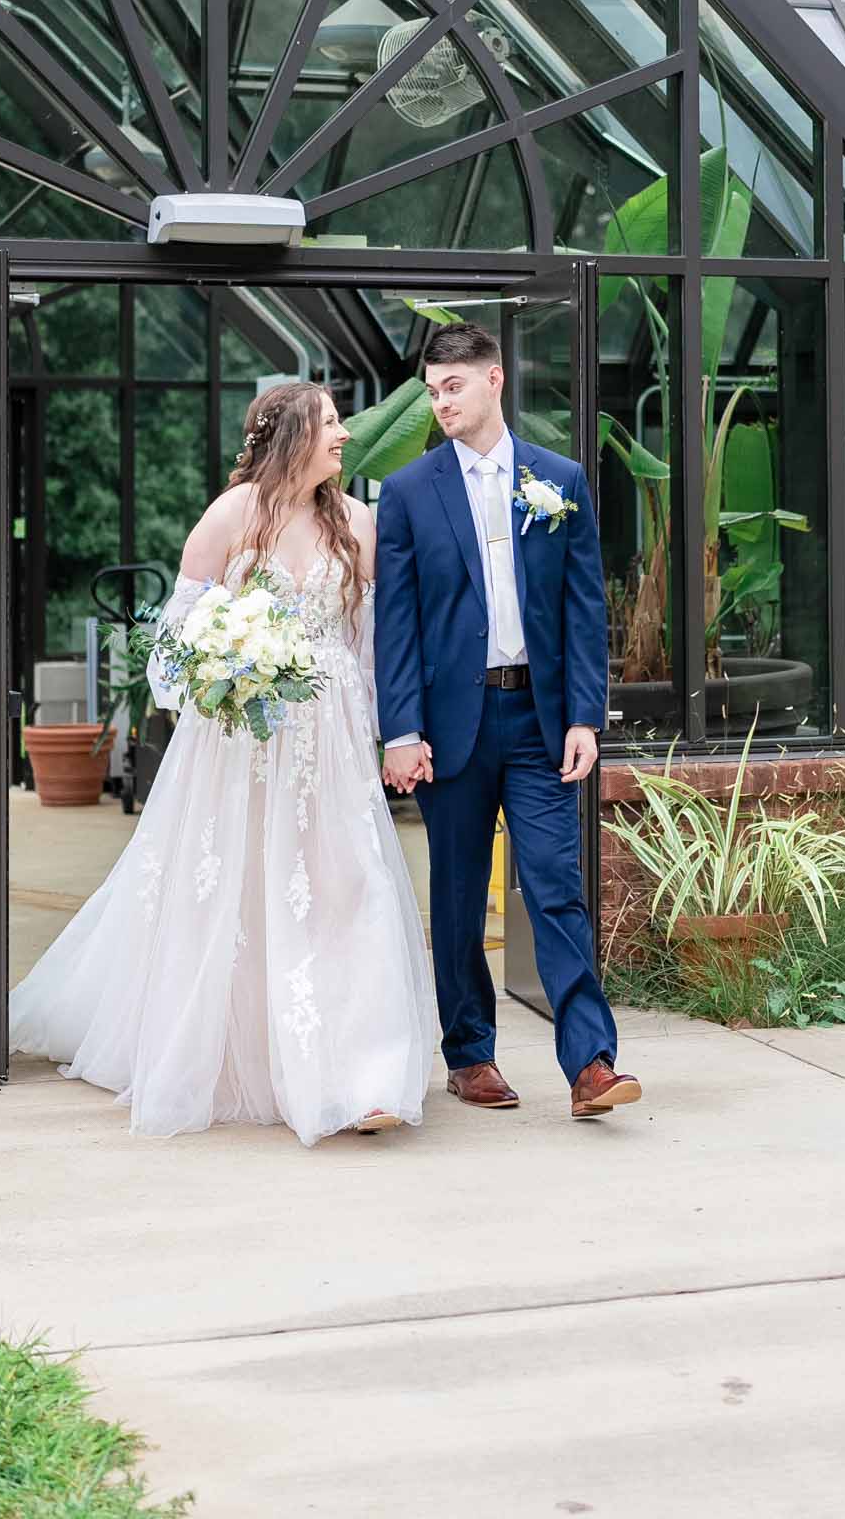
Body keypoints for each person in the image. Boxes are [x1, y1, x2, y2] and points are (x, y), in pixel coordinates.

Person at [13, 380, 434, 1145]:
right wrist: (227, 671)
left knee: (345, 884)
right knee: (242, 888)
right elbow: (178, 632)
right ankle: (244, 1055)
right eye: (332, 422)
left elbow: (377, 642)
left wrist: (387, 727)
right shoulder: (232, 514)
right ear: (294, 435)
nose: (344, 435)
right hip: (244, 738)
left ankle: (361, 1071)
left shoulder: (358, 524)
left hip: (330, 740)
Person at [374, 322, 638, 1119]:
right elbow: (398, 623)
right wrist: (401, 729)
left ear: (493, 380)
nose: (438, 403)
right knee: (456, 896)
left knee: (555, 886)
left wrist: (584, 716)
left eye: (450, 387)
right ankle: (471, 1054)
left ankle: (590, 1062)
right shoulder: (410, 492)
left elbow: (585, 608)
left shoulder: (559, 479)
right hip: (450, 724)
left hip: (539, 719)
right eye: (430, 391)